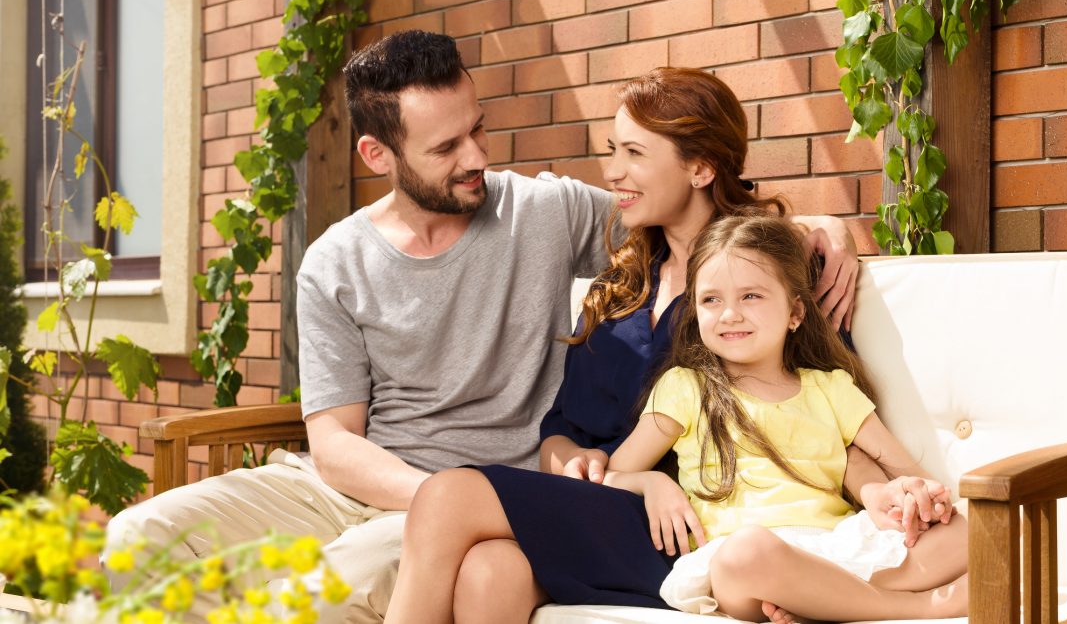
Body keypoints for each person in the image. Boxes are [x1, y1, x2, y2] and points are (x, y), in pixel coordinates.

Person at [103, 34, 860, 623]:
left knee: (317, 596)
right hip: (350, 489)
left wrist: (819, 228)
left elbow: (698, 220)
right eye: (445, 148)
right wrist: (443, 500)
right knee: (134, 546)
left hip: (493, 498)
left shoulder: (544, 210)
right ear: (377, 154)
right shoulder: (336, 260)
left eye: (478, 130)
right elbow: (334, 444)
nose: (477, 159)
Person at [383, 68, 941, 624]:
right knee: (489, 571)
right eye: (613, 150)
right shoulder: (616, 289)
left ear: (700, 168)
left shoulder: (766, 283)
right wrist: (576, 463)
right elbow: (561, 429)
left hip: (698, 527)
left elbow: (822, 419)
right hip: (615, 502)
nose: (613, 171)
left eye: (634, 153)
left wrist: (879, 493)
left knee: (447, 497)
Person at [604, 213, 970, 622]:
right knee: (747, 552)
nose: (729, 314)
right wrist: (652, 483)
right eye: (711, 300)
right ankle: (919, 605)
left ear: (795, 312)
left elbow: (912, 475)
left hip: (835, 546)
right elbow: (613, 475)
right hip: (750, 563)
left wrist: (909, 495)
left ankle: (818, 603)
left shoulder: (831, 388)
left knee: (972, 526)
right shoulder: (684, 387)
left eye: (751, 296)